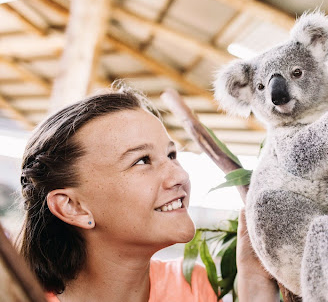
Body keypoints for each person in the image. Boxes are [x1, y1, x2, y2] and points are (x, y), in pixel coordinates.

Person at [18, 85, 279, 302]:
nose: (180, 176)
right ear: (73, 206)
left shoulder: (193, 287)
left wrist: (255, 289)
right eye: (142, 161)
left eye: (171, 155)